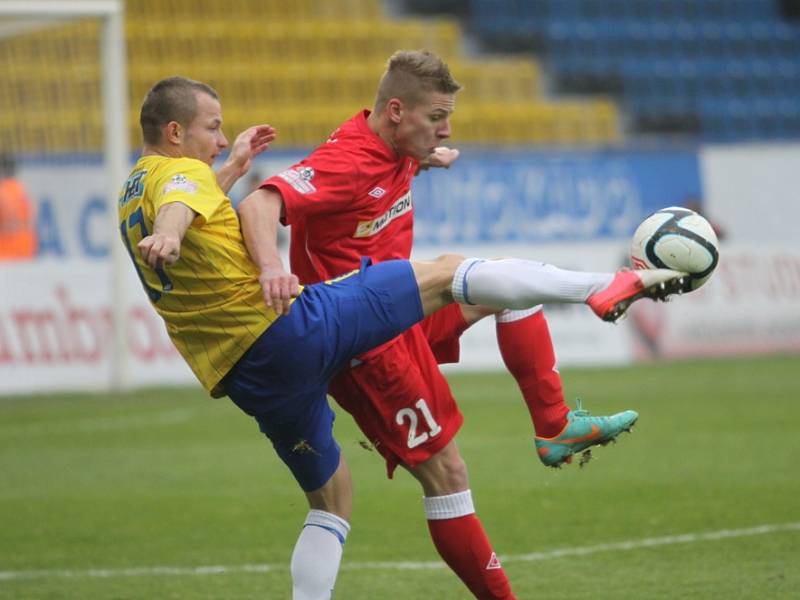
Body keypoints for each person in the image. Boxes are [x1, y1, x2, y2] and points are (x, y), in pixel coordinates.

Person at [122, 76, 687, 600]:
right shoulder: (183, 180)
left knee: (333, 501)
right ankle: (604, 285)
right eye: (212, 127)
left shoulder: (134, 191)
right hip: (295, 327)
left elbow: (192, 206)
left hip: (246, 373)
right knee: (449, 275)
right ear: (175, 133)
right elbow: (185, 206)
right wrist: (190, 240)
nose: (222, 138)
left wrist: (228, 172)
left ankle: (554, 422)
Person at [243, 51, 645, 598]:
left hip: (398, 314)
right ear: (395, 111)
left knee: (502, 285)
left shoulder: (395, 146)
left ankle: (553, 423)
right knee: (448, 477)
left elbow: (386, 173)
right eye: (436, 117)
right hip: (362, 346)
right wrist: (272, 266)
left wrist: (424, 157)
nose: (445, 128)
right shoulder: (350, 161)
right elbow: (261, 203)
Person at [0, 152, 37, 260]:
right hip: (26, 249)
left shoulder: (3, 192)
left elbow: (8, 221)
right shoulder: (22, 190)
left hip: (6, 252)